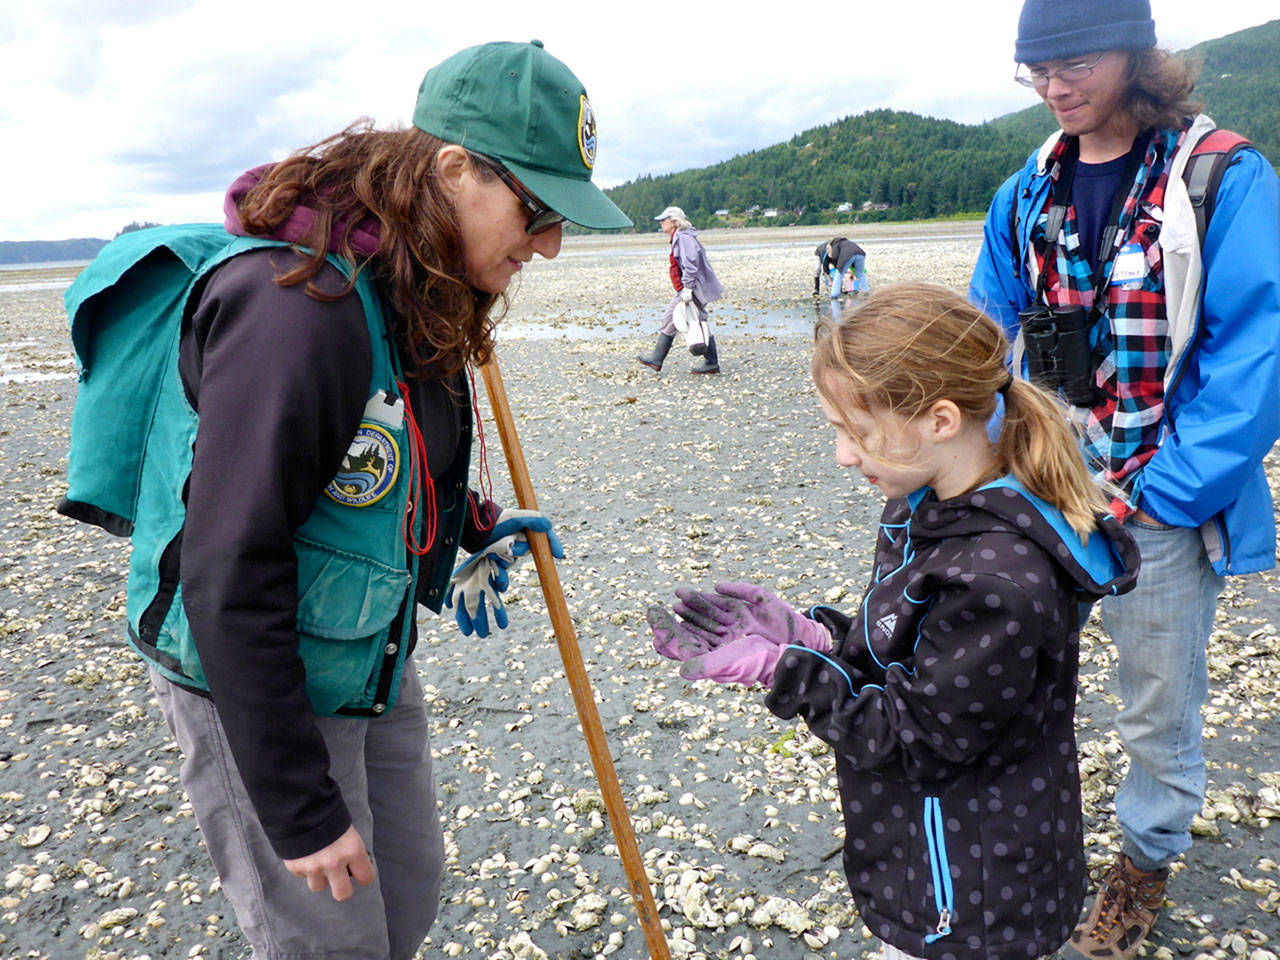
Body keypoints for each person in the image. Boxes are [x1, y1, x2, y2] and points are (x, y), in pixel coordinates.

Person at [58, 40, 629, 960]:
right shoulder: (298, 313)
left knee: (407, 899)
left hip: (365, 648)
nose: (551, 244)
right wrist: (297, 808)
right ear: (453, 170)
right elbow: (228, 570)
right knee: (331, 943)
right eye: (540, 209)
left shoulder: (421, 286)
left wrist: (466, 537)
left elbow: (391, 461)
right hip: (248, 669)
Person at [648, 283, 1139, 960]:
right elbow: (911, 658)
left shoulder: (997, 579)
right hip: (939, 851)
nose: (843, 456)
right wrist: (819, 638)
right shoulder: (926, 504)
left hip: (975, 894)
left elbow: (917, 741)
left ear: (941, 419)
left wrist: (786, 670)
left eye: (859, 433)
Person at [968, 1, 1280, 955]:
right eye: (1036, 71)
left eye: (1074, 64)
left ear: (1138, 55)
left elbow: (1253, 358)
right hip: (1044, 497)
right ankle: (1033, 838)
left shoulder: (1222, 174)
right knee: (1015, 679)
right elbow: (988, 338)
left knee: (1156, 697)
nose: (1055, 87)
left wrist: (1170, 492)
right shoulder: (1028, 189)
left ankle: (1143, 862)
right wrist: (979, 474)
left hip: (1158, 502)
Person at [636, 205, 724, 374]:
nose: (661, 223)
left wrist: (688, 289)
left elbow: (691, 264)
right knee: (694, 320)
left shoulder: (683, 237)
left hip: (691, 287)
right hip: (688, 287)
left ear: (674, 221)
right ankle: (709, 362)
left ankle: (658, 358)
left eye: (664, 220)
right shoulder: (680, 236)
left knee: (674, 318)